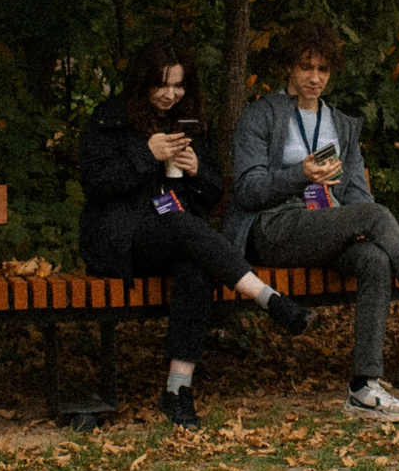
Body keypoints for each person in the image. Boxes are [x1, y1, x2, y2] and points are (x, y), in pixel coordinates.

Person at [229, 21, 399, 422]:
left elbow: (358, 195)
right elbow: (247, 191)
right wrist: (300, 176)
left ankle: (364, 387)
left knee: (374, 259)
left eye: (323, 70)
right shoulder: (261, 116)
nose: (314, 78)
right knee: (376, 217)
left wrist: (355, 219)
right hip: (273, 228)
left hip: (325, 226)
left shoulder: (341, 125)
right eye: (306, 67)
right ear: (289, 68)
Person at [80, 36, 317, 428]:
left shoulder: (187, 122)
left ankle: (177, 390)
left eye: (179, 84)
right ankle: (269, 299)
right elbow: (95, 184)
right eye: (163, 84)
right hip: (122, 240)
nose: (171, 94)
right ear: (142, 82)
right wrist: (146, 155)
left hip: (178, 238)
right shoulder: (109, 119)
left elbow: (211, 194)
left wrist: (195, 170)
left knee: (196, 268)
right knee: (182, 227)